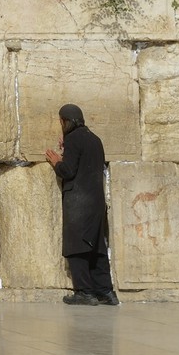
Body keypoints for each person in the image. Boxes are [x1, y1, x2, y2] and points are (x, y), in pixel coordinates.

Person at [46, 103, 117, 306]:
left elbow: (68, 171)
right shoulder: (95, 140)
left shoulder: (73, 138)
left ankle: (84, 292)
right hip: (96, 201)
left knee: (76, 246)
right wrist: (67, 148)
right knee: (97, 248)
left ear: (64, 121)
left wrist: (57, 161)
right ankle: (106, 292)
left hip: (79, 202)